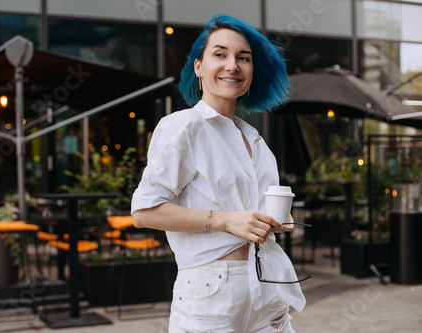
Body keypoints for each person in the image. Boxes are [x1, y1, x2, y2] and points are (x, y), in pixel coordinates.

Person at [131, 14, 306, 332]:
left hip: (266, 289)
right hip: (211, 293)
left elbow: (252, 213)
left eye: (244, 58)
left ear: (253, 71)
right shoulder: (183, 126)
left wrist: (273, 220)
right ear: (198, 66)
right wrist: (226, 221)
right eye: (220, 54)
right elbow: (144, 213)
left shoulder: (255, 140)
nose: (233, 66)